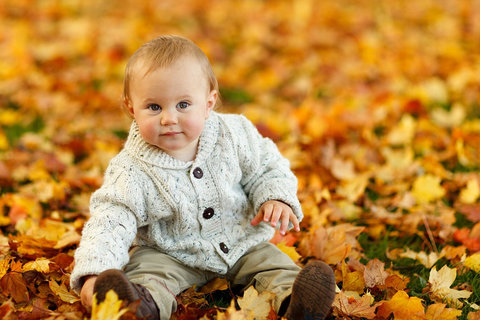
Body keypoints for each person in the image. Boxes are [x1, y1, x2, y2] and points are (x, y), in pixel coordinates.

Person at [70, 35, 335, 320]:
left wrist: (275, 196)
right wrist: (94, 272)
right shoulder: (131, 168)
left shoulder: (234, 134)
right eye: (154, 107)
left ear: (209, 103)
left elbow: (267, 166)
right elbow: (111, 219)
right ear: (131, 108)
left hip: (241, 242)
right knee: (149, 274)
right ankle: (137, 307)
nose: (168, 118)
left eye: (183, 105)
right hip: (170, 252)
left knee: (272, 265)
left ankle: (297, 303)